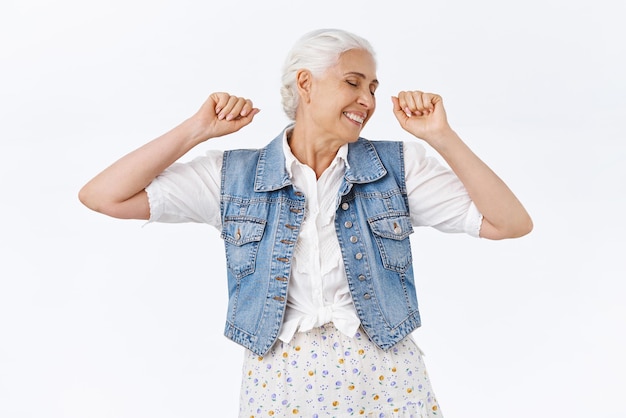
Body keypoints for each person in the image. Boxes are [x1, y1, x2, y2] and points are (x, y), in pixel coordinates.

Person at [79, 28, 532, 417]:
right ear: (305, 84)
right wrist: (196, 130)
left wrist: (441, 137)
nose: (367, 100)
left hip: (388, 382)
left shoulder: (397, 168)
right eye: (353, 83)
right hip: (281, 387)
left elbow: (509, 223)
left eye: (373, 87)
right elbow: (102, 196)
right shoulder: (232, 177)